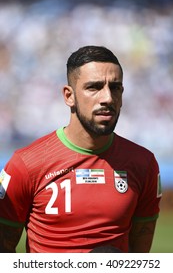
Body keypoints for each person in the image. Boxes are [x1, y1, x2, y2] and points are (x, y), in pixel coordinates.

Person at [0, 45, 162, 253]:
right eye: (94, 87)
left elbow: (139, 256)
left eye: (115, 87)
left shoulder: (143, 164)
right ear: (69, 96)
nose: (108, 98)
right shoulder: (26, 164)